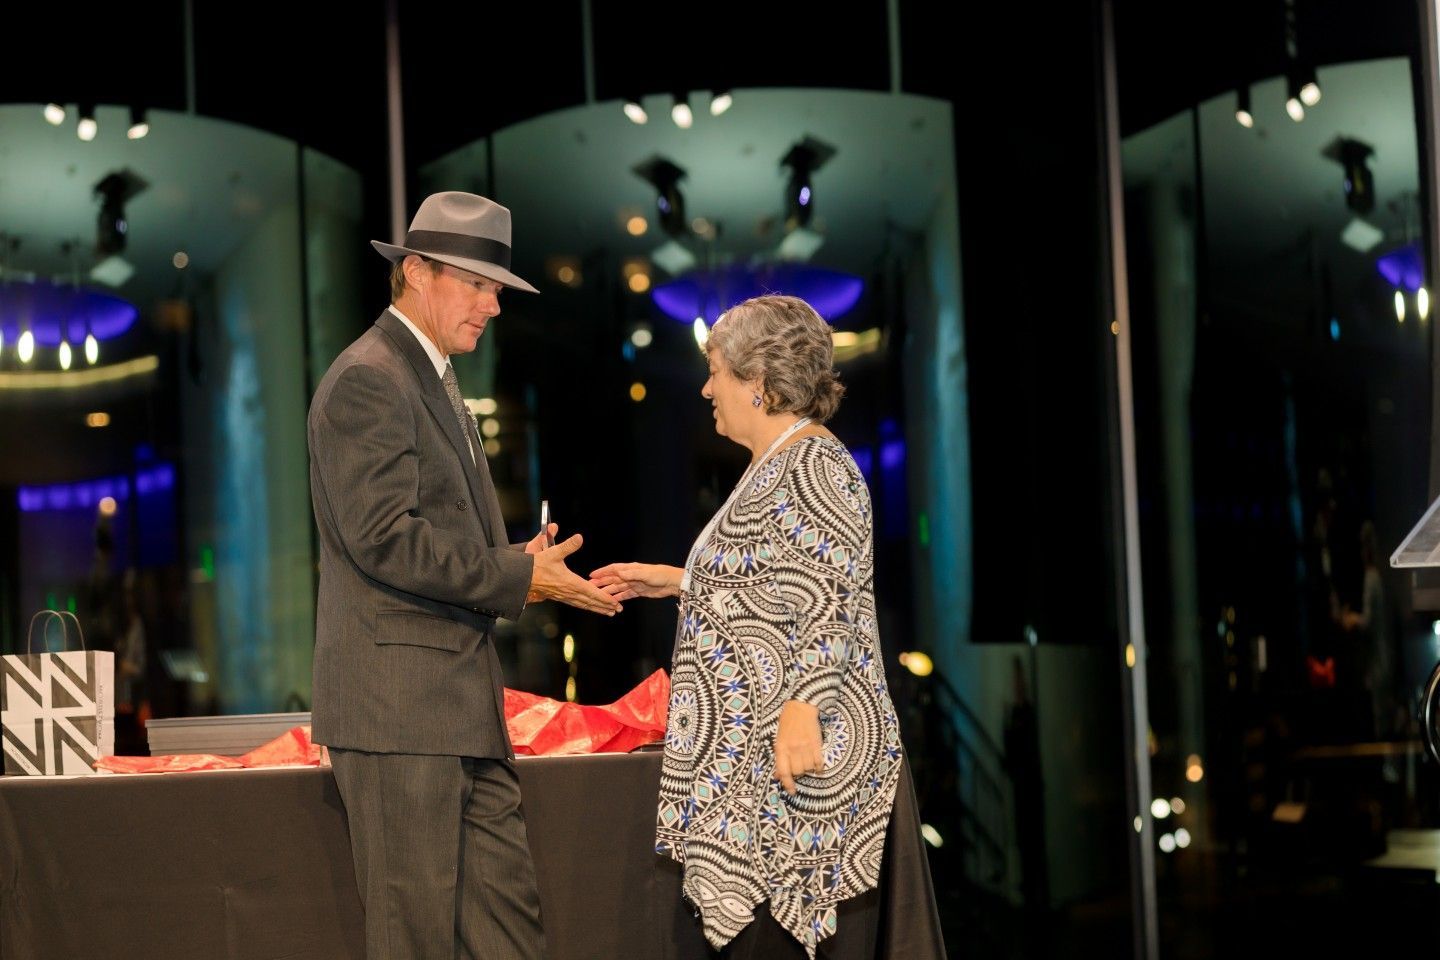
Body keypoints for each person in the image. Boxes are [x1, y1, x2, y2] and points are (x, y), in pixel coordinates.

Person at [307, 190, 621, 960]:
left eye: (497, 288)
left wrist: (520, 562)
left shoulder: (427, 377)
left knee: (510, 938)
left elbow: (425, 537)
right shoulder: (371, 377)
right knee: (414, 941)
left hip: (457, 712)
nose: (493, 305)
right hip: (400, 719)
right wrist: (520, 577)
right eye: (477, 284)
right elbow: (384, 539)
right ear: (416, 271)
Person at [590, 295, 903, 958]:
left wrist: (804, 708)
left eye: (715, 373)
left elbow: (829, 599)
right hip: (763, 778)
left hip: (796, 780)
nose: (707, 389)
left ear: (757, 382)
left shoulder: (814, 464)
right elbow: (777, 582)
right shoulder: (778, 462)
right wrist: (679, 580)